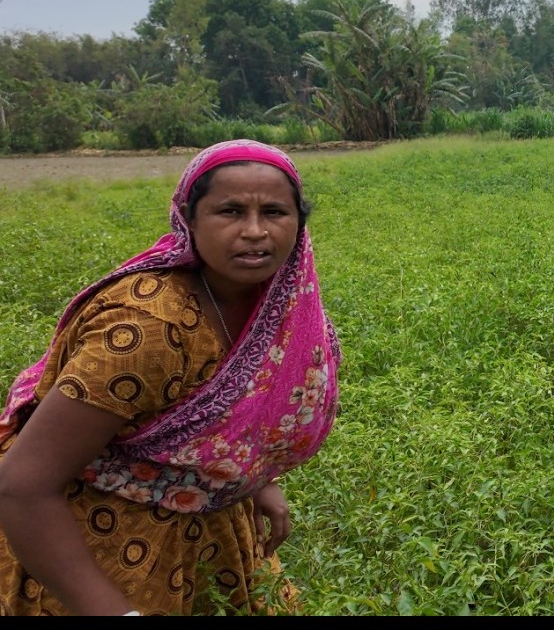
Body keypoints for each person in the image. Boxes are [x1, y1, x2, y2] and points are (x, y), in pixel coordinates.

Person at [0, 139, 342, 616]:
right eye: (230, 211)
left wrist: (255, 480)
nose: (255, 231)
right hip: (104, 540)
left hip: (215, 527)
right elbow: (21, 485)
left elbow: (233, 420)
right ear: (189, 219)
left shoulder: (283, 306)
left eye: (275, 212)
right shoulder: (147, 326)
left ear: (299, 222)